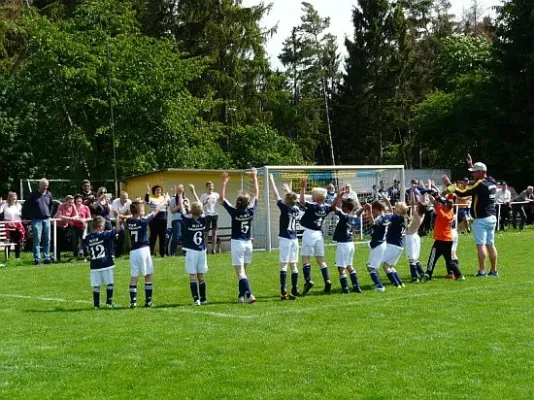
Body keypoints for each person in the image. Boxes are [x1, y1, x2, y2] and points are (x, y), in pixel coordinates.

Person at [444, 156, 498, 277]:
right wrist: (471, 165)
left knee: (481, 245)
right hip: (492, 217)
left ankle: (482, 271)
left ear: (480, 172)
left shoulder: (479, 184)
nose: (472, 174)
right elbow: (480, 180)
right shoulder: (492, 181)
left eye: (474, 172)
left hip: (481, 219)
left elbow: (463, 193)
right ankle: (494, 270)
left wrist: (449, 185)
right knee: (491, 244)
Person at [120, 195, 170, 308]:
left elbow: (128, 215)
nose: (144, 210)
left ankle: (133, 302)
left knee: (134, 276)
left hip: (133, 252)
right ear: (138, 211)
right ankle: (148, 301)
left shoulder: (129, 221)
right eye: (142, 209)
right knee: (148, 275)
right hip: (143, 250)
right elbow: (156, 210)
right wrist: (165, 200)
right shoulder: (143, 220)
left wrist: (136, 203)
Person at [220, 168, 259, 304]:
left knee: (240, 273)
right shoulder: (251, 210)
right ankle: (241, 296)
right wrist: (254, 177)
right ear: (247, 203)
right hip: (249, 243)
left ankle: (249, 294)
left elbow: (222, 199)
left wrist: (224, 183)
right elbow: (256, 193)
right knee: (243, 272)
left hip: (238, 243)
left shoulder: (234, 212)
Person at [298, 180, 333, 295]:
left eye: (313, 195)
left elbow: (302, 201)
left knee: (305, 258)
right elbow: (333, 206)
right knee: (320, 259)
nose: (311, 197)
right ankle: (327, 279)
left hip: (309, 233)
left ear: (316, 198)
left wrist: (303, 188)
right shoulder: (326, 207)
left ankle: (308, 281)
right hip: (319, 234)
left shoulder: (313, 206)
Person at [269, 174, 301, 300]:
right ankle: (295, 287)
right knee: (294, 265)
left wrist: (271, 180)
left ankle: (283, 289)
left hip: (285, 238)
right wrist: (288, 191)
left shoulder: (285, 208)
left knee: (283, 265)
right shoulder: (296, 209)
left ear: (286, 201)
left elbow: (276, 195)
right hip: (294, 239)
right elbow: (294, 200)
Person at [421, 194, 465, 282]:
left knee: (432, 258)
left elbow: (436, 204)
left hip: (441, 240)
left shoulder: (442, 214)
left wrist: (433, 198)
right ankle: (459, 275)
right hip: (448, 240)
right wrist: (438, 197)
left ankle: (428, 274)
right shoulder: (451, 211)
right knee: (449, 260)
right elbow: (442, 203)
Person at [177, 187, 208, 306]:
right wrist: (194, 192)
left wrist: (180, 194)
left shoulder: (187, 220)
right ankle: (204, 298)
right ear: (201, 211)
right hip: (202, 250)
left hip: (191, 251)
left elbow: (182, 208)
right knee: (201, 275)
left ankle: (196, 299)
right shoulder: (203, 219)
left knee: (193, 276)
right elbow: (200, 206)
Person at [331, 189, 364, 294]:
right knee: (350, 265)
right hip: (350, 244)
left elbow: (333, 207)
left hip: (343, 244)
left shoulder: (344, 216)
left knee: (341, 268)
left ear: (345, 208)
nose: (341, 206)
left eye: (343, 205)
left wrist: (338, 196)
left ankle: (345, 288)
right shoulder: (354, 217)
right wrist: (364, 208)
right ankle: (356, 286)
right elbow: (357, 213)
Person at [83, 216, 116, 309]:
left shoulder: (88, 237)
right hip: (105, 263)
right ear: (101, 226)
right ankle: (109, 303)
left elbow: (84, 240)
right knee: (109, 283)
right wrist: (118, 220)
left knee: (96, 285)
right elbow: (115, 231)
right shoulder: (104, 234)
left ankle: (96, 305)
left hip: (94, 265)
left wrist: (85, 227)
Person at [22, 178, 53, 265]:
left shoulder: (49, 194)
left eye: (46, 186)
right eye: (43, 186)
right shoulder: (33, 195)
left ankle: (47, 257)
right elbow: (26, 206)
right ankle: (37, 258)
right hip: (36, 220)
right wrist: (25, 217)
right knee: (37, 240)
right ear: (39, 185)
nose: (45, 188)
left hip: (46, 219)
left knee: (47, 239)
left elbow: (51, 205)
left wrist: (49, 214)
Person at [380, 197, 408, 288]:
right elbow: (392, 213)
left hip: (393, 245)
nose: (394, 206)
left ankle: (396, 284)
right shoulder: (401, 218)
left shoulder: (395, 218)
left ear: (398, 209)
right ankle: (400, 283)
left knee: (386, 266)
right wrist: (387, 201)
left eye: (396, 206)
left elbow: (389, 215)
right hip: (399, 246)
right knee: (390, 266)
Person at [363, 201, 390, 291]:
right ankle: (378, 284)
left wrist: (369, 210)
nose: (372, 213)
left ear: (375, 209)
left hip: (379, 244)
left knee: (371, 267)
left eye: (373, 210)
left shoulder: (380, 218)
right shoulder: (386, 217)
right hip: (381, 243)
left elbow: (372, 224)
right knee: (369, 265)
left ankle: (380, 287)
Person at [405, 193, 426, 282]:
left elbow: (413, 208)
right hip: (415, 236)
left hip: (411, 238)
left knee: (411, 259)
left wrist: (412, 202)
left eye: (418, 207)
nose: (416, 207)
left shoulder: (418, 217)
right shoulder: (421, 215)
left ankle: (414, 277)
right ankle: (422, 274)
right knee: (415, 258)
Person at [145, 184, 169, 257]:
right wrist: (148, 192)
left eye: (160, 190)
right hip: (154, 220)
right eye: (157, 190)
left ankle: (163, 254)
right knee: (153, 237)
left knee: (163, 237)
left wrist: (167, 197)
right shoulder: (151, 198)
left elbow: (169, 204)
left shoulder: (164, 197)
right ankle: (150, 254)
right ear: (154, 191)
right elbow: (146, 201)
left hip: (163, 219)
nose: (159, 191)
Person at [54, 195, 79, 262]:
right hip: (57, 225)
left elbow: (76, 214)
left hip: (65, 225)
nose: (71, 204)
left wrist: (72, 218)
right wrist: (70, 219)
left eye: (72, 202)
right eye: (69, 202)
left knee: (66, 241)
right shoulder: (61, 206)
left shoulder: (73, 206)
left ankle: (69, 256)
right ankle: (57, 257)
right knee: (57, 242)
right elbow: (60, 215)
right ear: (66, 201)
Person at [0, 192, 25, 259]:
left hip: (17, 226)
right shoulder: (4, 205)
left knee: (18, 242)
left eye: (15, 196)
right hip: (8, 226)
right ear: (9, 197)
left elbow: (22, 215)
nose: (13, 198)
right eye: (12, 196)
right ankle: (7, 258)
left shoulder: (19, 206)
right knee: (8, 242)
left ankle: (17, 257)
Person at [199, 181, 220, 254]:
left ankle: (213, 249)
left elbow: (221, 202)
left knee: (214, 232)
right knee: (206, 233)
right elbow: (200, 206)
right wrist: (205, 202)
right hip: (206, 215)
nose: (211, 188)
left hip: (215, 215)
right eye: (209, 186)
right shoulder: (203, 196)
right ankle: (205, 249)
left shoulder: (216, 195)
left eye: (212, 186)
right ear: (206, 187)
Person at [169, 185, 188, 256]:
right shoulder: (173, 200)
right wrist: (179, 205)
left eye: (181, 189)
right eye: (178, 189)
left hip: (184, 219)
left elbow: (188, 210)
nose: (180, 191)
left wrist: (184, 204)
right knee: (176, 236)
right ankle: (172, 253)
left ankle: (185, 252)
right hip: (176, 219)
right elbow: (172, 210)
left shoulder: (186, 199)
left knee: (185, 236)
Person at [111, 191, 132, 258]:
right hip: (113, 220)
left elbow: (130, 213)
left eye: (126, 198)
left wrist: (124, 217)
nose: (125, 200)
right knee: (113, 237)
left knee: (122, 235)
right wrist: (125, 217)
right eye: (123, 198)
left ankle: (118, 254)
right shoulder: (115, 202)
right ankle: (112, 253)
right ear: (120, 197)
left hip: (121, 221)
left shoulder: (129, 202)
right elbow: (116, 214)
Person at [72, 194, 91, 260]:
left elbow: (89, 218)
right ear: (75, 200)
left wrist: (84, 220)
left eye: (80, 199)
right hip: (75, 227)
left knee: (84, 242)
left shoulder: (86, 207)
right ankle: (75, 256)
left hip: (83, 227)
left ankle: (86, 256)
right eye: (77, 199)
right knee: (75, 242)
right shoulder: (73, 208)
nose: (79, 200)